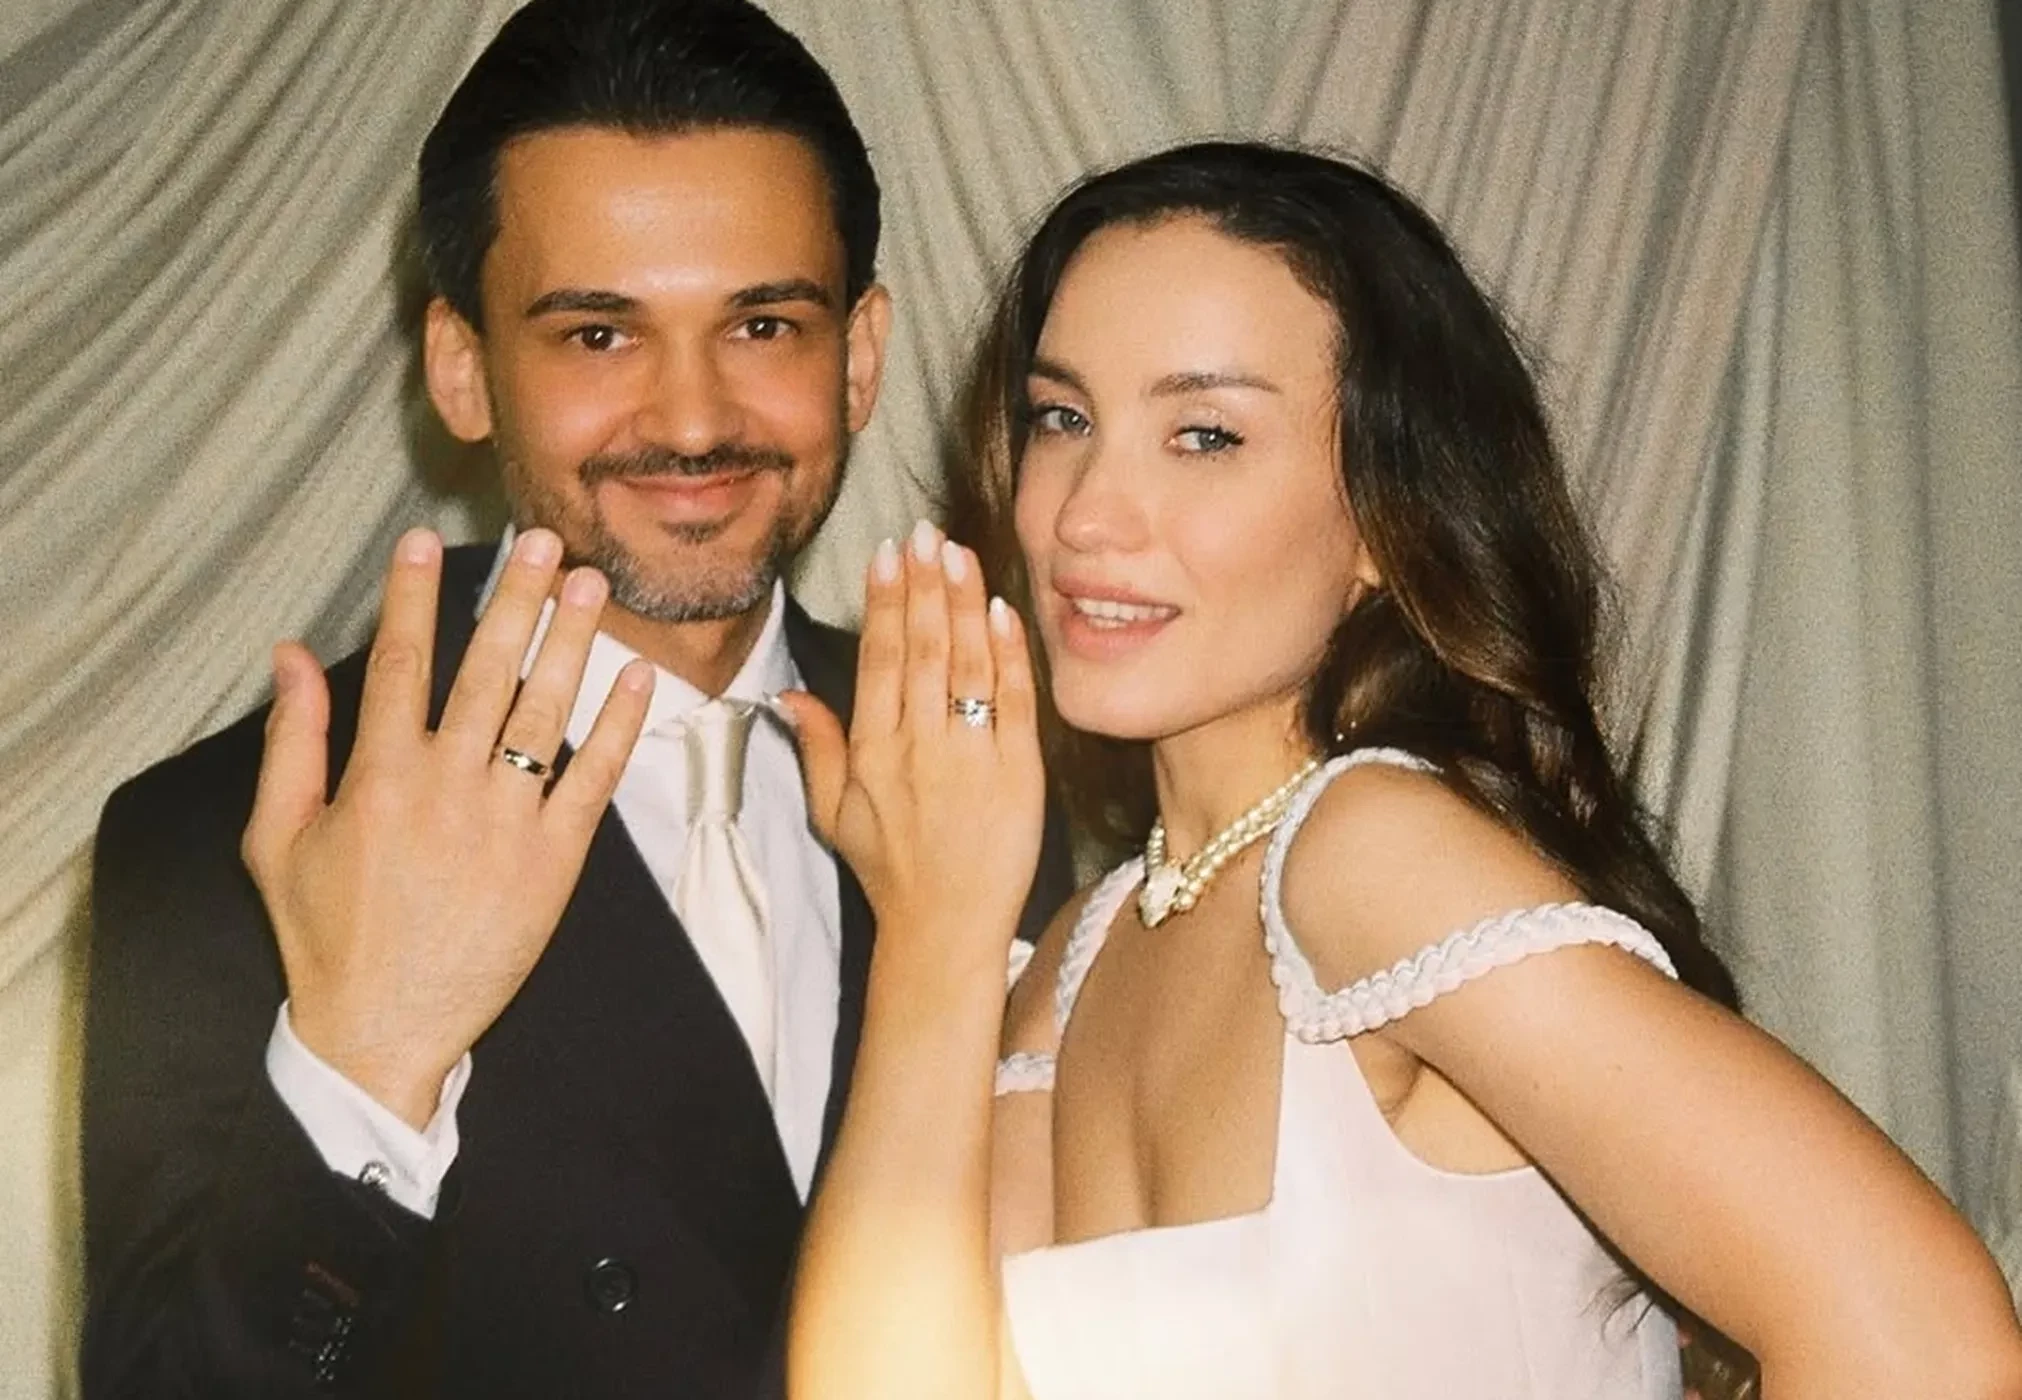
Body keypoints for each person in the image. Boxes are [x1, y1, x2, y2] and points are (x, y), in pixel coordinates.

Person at [772, 143, 2022, 1398]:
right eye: (1064, 417)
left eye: (1203, 435)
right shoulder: (1079, 959)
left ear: (1384, 516)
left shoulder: (1368, 855)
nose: (1087, 512)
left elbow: (1924, 1341)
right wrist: (934, 938)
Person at [80, 1, 1070, 1395]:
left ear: (857, 356)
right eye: (599, 335)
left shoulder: (976, 757)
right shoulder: (226, 832)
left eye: (763, 324)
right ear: (462, 368)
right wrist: (366, 1061)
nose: (691, 420)